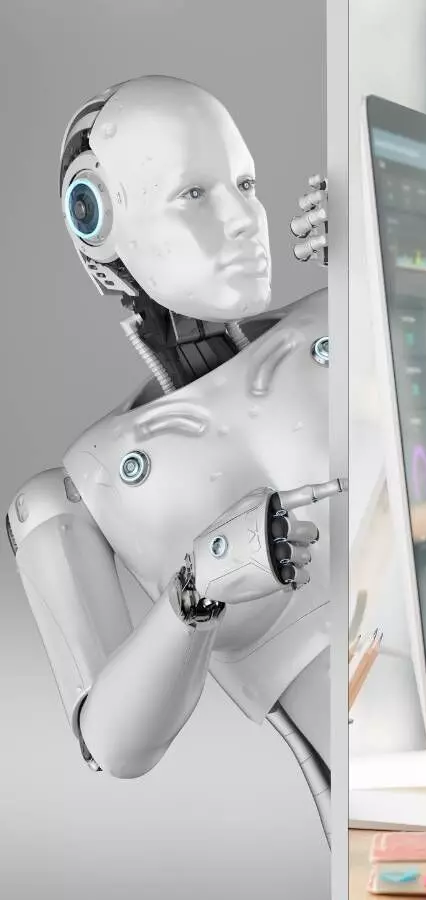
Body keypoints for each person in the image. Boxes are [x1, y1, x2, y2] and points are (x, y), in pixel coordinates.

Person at [7, 75, 338, 841]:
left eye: (246, 183)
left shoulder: (344, 309)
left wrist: (403, 261)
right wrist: (199, 586)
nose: (245, 218)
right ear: (95, 218)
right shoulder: (80, 487)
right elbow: (113, 744)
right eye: (194, 193)